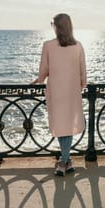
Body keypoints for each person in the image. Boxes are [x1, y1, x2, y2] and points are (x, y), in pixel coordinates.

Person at [31, 13, 87, 176]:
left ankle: (63, 162)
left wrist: (39, 80)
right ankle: (66, 160)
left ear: (57, 26)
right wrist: (82, 85)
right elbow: (82, 71)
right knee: (66, 126)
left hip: (56, 91)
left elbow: (44, 69)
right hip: (71, 91)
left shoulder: (48, 45)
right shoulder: (78, 45)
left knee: (61, 125)